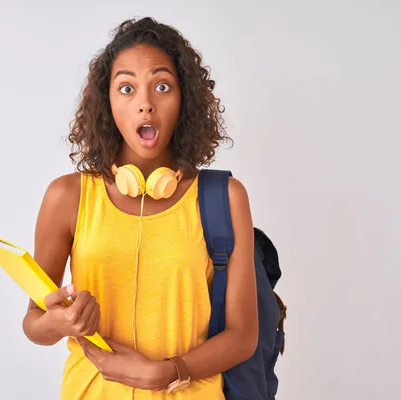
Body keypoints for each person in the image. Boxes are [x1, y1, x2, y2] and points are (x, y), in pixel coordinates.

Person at [22, 17, 258, 400]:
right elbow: (33, 323)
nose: (145, 104)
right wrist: (61, 321)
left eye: (162, 86)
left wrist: (165, 373)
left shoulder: (225, 197)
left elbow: (243, 336)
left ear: (184, 99)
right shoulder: (67, 197)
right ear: (107, 101)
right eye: (127, 88)